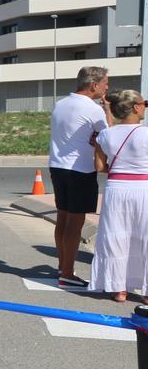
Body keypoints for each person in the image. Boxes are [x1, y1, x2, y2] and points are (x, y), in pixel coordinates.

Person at [50, 66, 112, 288]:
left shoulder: (61, 104)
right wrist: (107, 111)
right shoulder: (93, 109)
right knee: (75, 223)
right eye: (105, 83)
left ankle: (62, 265)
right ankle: (67, 273)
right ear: (94, 85)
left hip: (57, 166)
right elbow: (110, 136)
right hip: (80, 169)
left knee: (63, 218)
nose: (107, 87)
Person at [91, 90, 148, 303]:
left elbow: (99, 166)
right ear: (135, 107)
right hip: (144, 188)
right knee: (145, 237)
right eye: (144, 103)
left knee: (116, 236)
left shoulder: (105, 135)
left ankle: (119, 289)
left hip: (116, 188)